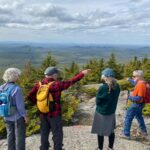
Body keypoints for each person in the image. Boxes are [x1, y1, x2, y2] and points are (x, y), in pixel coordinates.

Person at [27, 66, 91, 150]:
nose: (57, 75)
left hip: (43, 113)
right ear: (54, 75)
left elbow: (30, 96)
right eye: (56, 74)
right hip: (55, 114)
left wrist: (39, 104)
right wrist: (82, 73)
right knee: (57, 133)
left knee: (44, 132)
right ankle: (58, 148)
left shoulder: (39, 84)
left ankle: (44, 148)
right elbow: (71, 81)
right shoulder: (57, 84)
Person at [91, 68, 120, 150]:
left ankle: (100, 148)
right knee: (111, 131)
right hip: (111, 112)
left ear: (105, 76)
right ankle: (110, 148)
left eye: (102, 75)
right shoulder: (117, 86)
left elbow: (98, 101)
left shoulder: (103, 88)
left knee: (100, 132)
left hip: (101, 113)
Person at [0, 68, 28, 150]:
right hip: (17, 118)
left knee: (10, 135)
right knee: (20, 137)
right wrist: (25, 116)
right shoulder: (17, 89)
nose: (19, 76)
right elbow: (20, 106)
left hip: (6, 115)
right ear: (14, 76)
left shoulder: (1, 88)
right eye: (17, 75)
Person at [123, 70, 148, 139]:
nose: (132, 77)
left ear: (139, 77)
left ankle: (126, 134)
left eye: (134, 76)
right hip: (140, 104)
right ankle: (144, 131)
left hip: (136, 104)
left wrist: (130, 97)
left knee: (128, 117)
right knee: (139, 117)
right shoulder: (141, 83)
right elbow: (135, 84)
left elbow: (139, 98)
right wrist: (130, 80)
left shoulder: (140, 85)